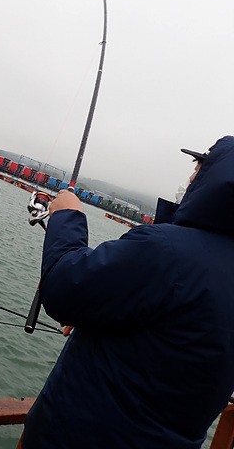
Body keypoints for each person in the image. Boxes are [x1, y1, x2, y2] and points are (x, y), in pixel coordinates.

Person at [22, 135, 234, 449]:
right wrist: (103, 320)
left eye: (199, 166)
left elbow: (64, 287)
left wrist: (66, 216)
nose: (190, 177)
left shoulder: (165, 249)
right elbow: (179, 341)